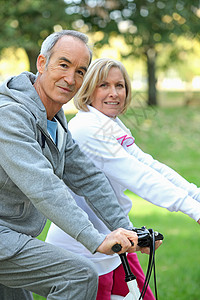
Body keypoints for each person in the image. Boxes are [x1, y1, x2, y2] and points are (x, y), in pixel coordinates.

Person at [0, 31, 153, 300]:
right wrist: (95, 239)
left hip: (13, 238)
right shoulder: (10, 117)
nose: (71, 79)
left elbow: (88, 178)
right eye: (63, 64)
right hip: (7, 239)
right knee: (78, 275)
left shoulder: (55, 121)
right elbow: (43, 186)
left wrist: (127, 230)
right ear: (41, 63)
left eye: (80, 71)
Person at [46, 57, 200, 300]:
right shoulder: (88, 129)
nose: (114, 93)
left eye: (120, 86)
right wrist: (194, 210)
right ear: (88, 88)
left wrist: (196, 196)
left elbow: (148, 165)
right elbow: (138, 176)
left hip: (116, 240)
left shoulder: (110, 124)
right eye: (104, 85)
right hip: (85, 251)